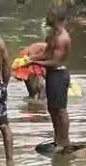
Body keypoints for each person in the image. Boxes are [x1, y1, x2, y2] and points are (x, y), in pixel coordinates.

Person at [29, 5, 71, 148]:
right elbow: (46, 54)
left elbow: (55, 61)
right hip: (52, 74)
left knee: (61, 110)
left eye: (50, 16)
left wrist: (36, 63)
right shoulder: (53, 35)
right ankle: (57, 138)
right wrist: (30, 58)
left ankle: (64, 141)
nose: (47, 18)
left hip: (59, 74)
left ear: (56, 19)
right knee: (52, 109)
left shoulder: (62, 38)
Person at [0, 35, 15, 166]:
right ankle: (10, 163)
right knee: (4, 125)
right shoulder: (0, 42)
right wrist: (4, 85)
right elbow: (7, 67)